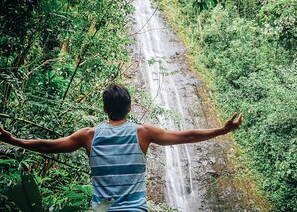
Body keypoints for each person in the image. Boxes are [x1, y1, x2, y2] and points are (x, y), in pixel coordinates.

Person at [0, 83, 243, 211]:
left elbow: (49, 147)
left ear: (104, 108)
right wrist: (222, 130)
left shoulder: (89, 135)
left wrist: (13, 140)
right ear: (129, 108)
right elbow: (185, 136)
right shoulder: (142, 133)